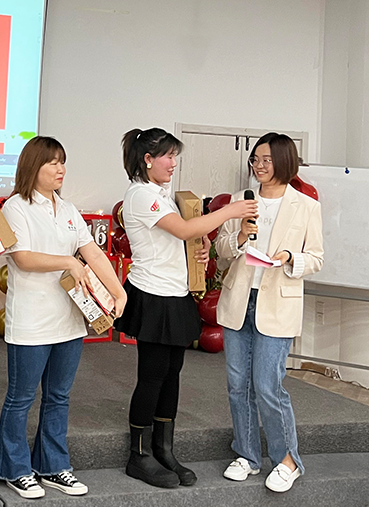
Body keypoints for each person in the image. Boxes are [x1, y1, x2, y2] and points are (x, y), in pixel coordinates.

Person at [113, 128, 258, 489]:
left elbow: (182, 235)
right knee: (152, 375)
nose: (173, 163)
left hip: (175, 293)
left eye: (175, 156)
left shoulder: (161, 194)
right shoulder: (140, 194)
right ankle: (139, 454)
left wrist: (201, 246)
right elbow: (181, 229)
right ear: (148, 160)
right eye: (168, 156)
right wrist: (230, 211)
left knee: (172, 373)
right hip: (152, 294)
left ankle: (164, 450)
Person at [0, 136, 128, 499]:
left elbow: (92, 252)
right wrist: (68, 261)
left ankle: (52, 465)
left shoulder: (66, 209)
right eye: (52, 162)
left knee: (59, 396)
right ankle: (13, 468)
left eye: (62, 161)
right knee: (21, 398)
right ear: (32, 166)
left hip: (68, 321)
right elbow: (23, 258)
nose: (60, 168)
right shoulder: (16, 207)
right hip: (31, 321)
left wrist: (118, 291)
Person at [215, 133, 323, 493]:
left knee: (267, 386)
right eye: (255, 159)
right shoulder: (240, 201)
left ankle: (287, 460)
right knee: (237, 385)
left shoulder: (305, 206)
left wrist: (291, 258)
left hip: (277, 302)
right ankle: (246, 455)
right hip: (239, 300)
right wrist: (240, 237)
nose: (259, 166)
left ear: (284, 161)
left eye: (267, 160)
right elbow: (222, 249)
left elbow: (317, 258)